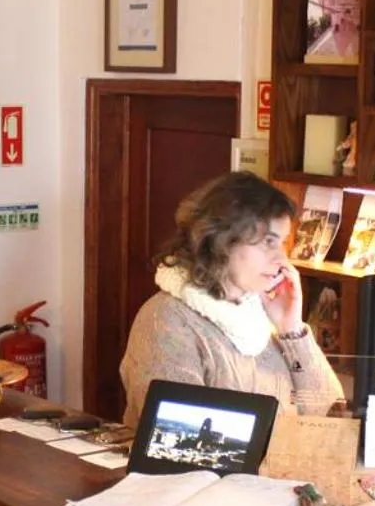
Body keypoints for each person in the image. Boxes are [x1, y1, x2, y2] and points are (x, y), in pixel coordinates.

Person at [119, 171, 344, 432]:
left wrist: (291, 329)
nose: (281, 259)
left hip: (273, 473)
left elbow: (330, 415)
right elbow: (180, 438)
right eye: (269, 242)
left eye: (282, 243)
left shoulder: (263, 317)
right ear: (223, 241)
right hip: (206, 475)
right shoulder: (166, 320)